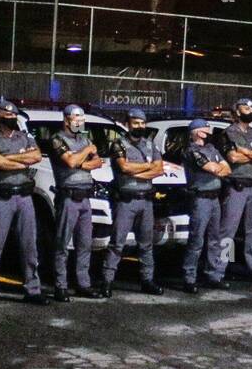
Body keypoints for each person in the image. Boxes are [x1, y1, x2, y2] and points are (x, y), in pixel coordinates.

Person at [0, 101, 49, 307]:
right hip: (2, 198)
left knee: (29, 245)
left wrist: (9, 158)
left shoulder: (24, 136)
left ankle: (32, 289)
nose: (10, 117)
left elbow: (35, 156)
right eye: (6, 114)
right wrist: (20, 161)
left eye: (13, 114)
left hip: (25, 197)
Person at [102, 108, 165, 296]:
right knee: (117, 244)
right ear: (128, 124)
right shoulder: (119, 144)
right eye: (136, 123)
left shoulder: (150, 145)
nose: (140, 126)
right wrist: (147, 168)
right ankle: (107, 282)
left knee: (146, 244)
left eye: (142, 123)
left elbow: (159, 169)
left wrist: (137, 171)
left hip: (146, 201)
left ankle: (147, 280)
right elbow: (124, 167)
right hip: (126, 202)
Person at [48, 104, 105, 301]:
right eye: (76, 119)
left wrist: (79, 160)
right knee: (62, 244)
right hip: (68, 197)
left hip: (85, 198)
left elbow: (97, 162)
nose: (80, 123)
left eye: (82, 120)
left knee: (84, 244)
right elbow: (69, 162)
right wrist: (86, 153)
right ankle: (60, 286)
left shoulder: (84, 139)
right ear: (66, 120)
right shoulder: (57, 139)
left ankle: (83, 283)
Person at [219, 98, 252, 283]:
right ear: (237, 111)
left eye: (251, 107)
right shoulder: (228, 133)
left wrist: (246, 152)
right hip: (236, 187)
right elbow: (232, 157)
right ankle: (220, 270)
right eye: (245, 107)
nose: (249, 110)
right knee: (228, 230)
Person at [181, 119, 230, 292]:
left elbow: (226, 169)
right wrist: (217, 168)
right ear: (196, 131)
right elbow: (213, 168)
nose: (208, 131)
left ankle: (213, 275)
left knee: (215, 239)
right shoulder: (191, 151)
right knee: (197, 240)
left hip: (215, 199)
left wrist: (218, 168)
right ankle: (189, 277)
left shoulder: (212, 149)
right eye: (205, 128)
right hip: (200, 199)